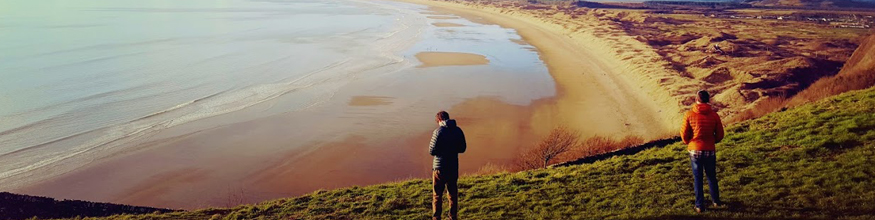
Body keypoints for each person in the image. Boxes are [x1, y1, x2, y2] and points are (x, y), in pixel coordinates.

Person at [681, 90, 726, 213]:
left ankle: (699, 205)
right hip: (710, 150)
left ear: (697, 99)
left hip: (695, 150)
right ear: (708, 100)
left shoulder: (689, 114)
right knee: (712, 176)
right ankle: (716, 201)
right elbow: (720, 134)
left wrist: (688, 142)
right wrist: (712, 141)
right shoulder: (714, 115)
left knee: (698, 178)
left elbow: (684, 134)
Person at [429, 111, 467, 220]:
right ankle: (453, 216)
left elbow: (431, 151)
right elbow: (462, 148)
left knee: (437, 195)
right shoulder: (458, 131)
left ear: (439, 120)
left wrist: (442, 150)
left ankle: (436, 217)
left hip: (439, 168)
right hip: (452, 167)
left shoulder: (438, 132)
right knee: (452, 194)